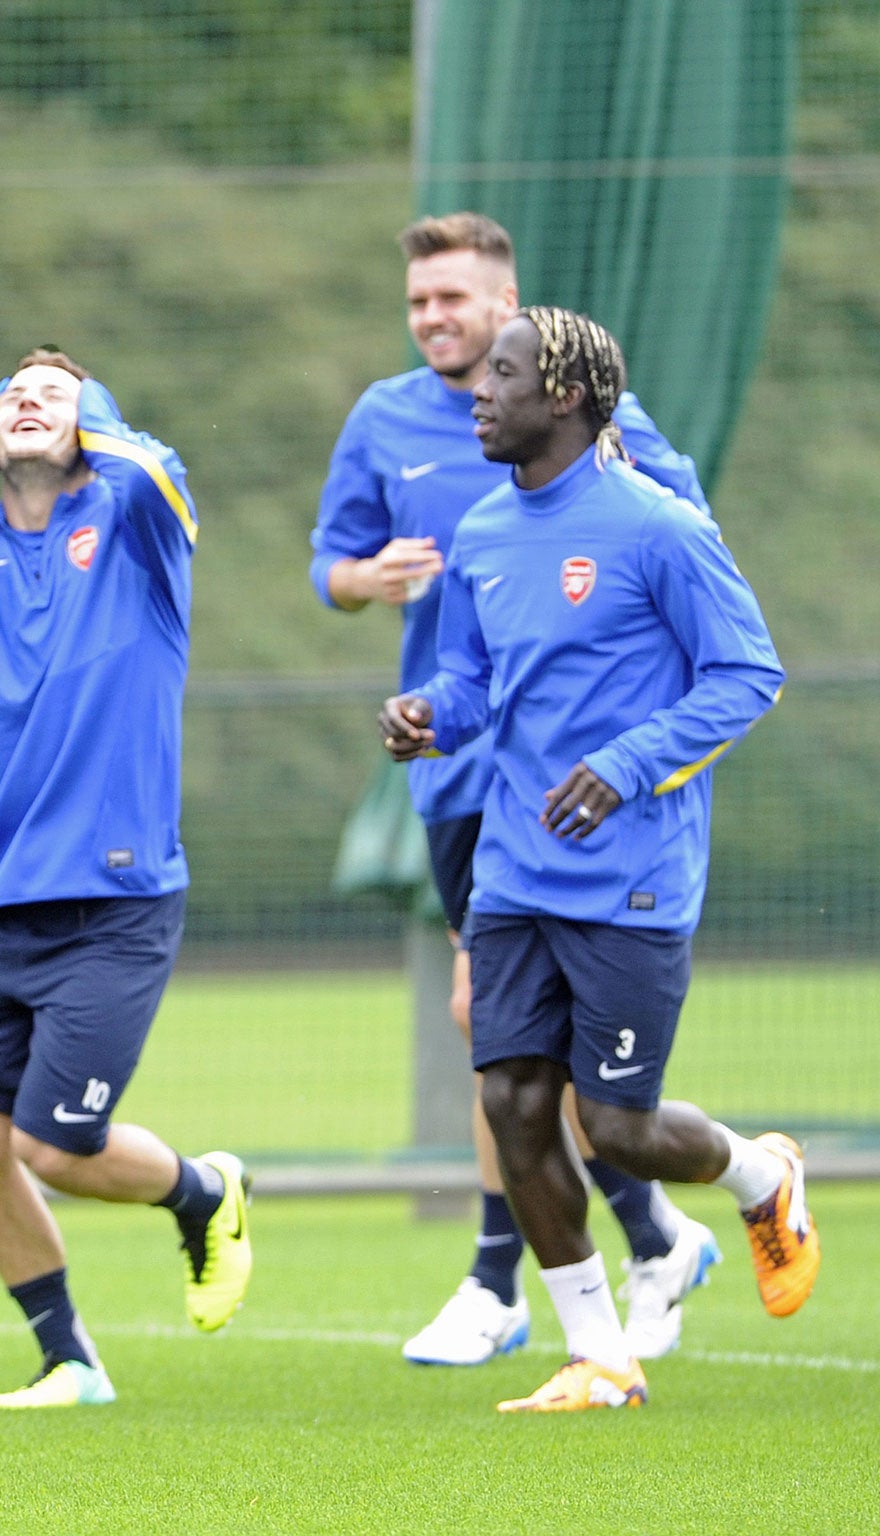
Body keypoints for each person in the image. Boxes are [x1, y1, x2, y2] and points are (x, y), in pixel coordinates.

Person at [380, 306, 817, 1413]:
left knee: (614, 1123)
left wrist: (625, 765)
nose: (479, 391)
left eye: (504, 373)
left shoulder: (655, 527)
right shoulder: (480, 533)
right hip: (514, 870)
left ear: (565, 395)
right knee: (515, 1106)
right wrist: (432, 713)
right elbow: (478, 684)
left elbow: (744, 676)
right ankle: (598, 1355)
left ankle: (762, 1177)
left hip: (632, 875)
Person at [311, 213, 720, 1366]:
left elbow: (696, 593)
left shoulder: (617, 449)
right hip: (465, 786)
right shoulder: (387, 424)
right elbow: (333, 572)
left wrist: (629, 747)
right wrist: (365, 585)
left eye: (454, 301)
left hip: (592, 811)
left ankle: (520, 1270)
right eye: (416, 304)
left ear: (508, 304)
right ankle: (604, 1270)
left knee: (559, 1081)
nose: (433, 321)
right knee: (500, 1058)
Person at [0, 349, 250, 1411]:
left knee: (54, 1143)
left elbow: (154, 472)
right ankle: (69, 1359)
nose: (27, 399)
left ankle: (203, 1191)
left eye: (53, 392)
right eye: (8, 389)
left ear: (97, 421)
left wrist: (84, 420)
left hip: (114, 903)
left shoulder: (137, 528)